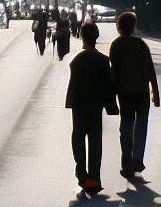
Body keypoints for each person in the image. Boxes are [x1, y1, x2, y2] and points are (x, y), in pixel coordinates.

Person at [66, 21, 119, 194]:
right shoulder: (103, 61)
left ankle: (82, 173)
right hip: (96, 106)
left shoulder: (77, 60)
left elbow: (73, 85)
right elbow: (109, 85)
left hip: (79, 106)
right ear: (96, 37)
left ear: (82, 37)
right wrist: (111, 106)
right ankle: (94, 178)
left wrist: (70, 102)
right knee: (96, 142)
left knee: (78, 139)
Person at [108, 11, 159, 180]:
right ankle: (137, 160)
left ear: (119, 26)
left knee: (126, 127)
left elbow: (113, 72)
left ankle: (127, 163)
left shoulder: (116, 45)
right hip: (142, 91)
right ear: (134, 26)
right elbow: (150, 69)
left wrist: (110, 96)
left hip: (125, 92)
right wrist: (155, 92)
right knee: (141, 127)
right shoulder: (141, 44)